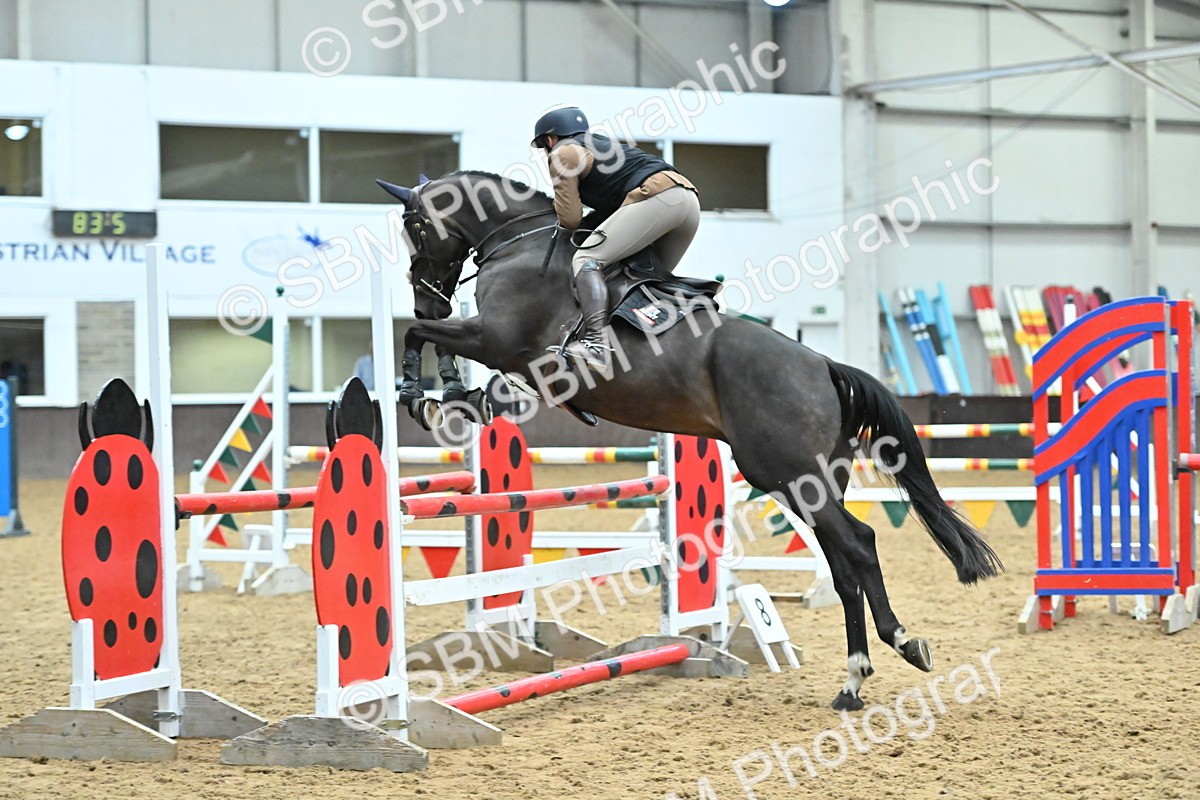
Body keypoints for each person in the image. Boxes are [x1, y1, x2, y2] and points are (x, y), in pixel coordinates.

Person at [532, 106, 700, 369]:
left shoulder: (563, 152)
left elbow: (570, 218)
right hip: (688, 202)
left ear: (549, 140)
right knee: (646, 280)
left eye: (544, 146)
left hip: (657, 198)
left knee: (587, 259)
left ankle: (596, 344)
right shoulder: (600, 146)